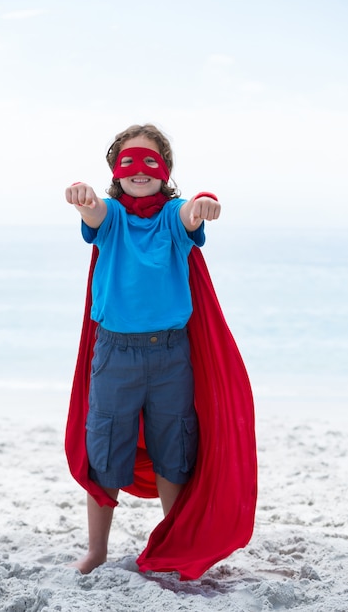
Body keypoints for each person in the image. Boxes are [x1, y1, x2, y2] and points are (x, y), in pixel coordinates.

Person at [64, 123, 257, 580]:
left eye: (150, 162)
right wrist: (83, 197)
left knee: (176, 449)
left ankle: (173, 543)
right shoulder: (111, 217)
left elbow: (190, 215)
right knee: (106, 449)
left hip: (171, 355)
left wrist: (202, 202)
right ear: (116, 170)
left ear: (165, 170)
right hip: (115, 355)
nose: (139, 171)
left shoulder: (171, 217)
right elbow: (93, 215)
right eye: (128, 162)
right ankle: (96, 550)